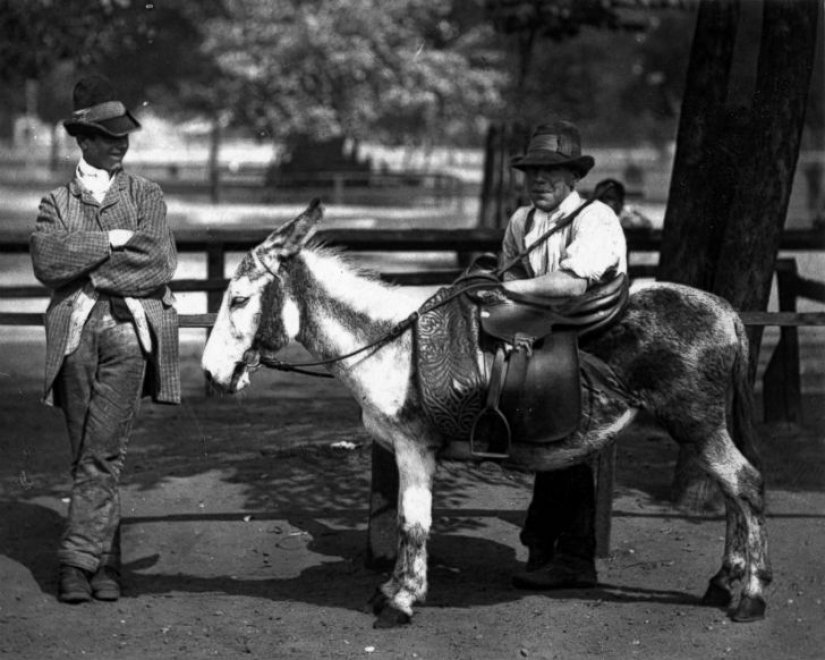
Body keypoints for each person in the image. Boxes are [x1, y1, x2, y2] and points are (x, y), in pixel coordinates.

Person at [30, 75, 180, 603]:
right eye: (110, 137)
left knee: (102, 455)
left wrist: (89, 267)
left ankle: (74, 563)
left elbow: (158, 263)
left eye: (125, 137)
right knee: (87, 455)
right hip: (73, 337)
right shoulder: (55, 202)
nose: (122, 145)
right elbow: (48, 263)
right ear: (84, 139)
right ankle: (106, 566)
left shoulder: (145, 196)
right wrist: (113, 241)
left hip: (128, 334)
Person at [500, 120, 627, 590]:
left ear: (574, 176)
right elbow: (506, 276)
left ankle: (571, 555)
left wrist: (506, 290)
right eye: (532, 170)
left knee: (564, 429)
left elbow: (572, 284)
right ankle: (543, 544)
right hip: (544, 334)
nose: (540, 180)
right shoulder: (521, 221)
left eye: (552, 171)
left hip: (596, 339)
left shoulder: (596, 218)